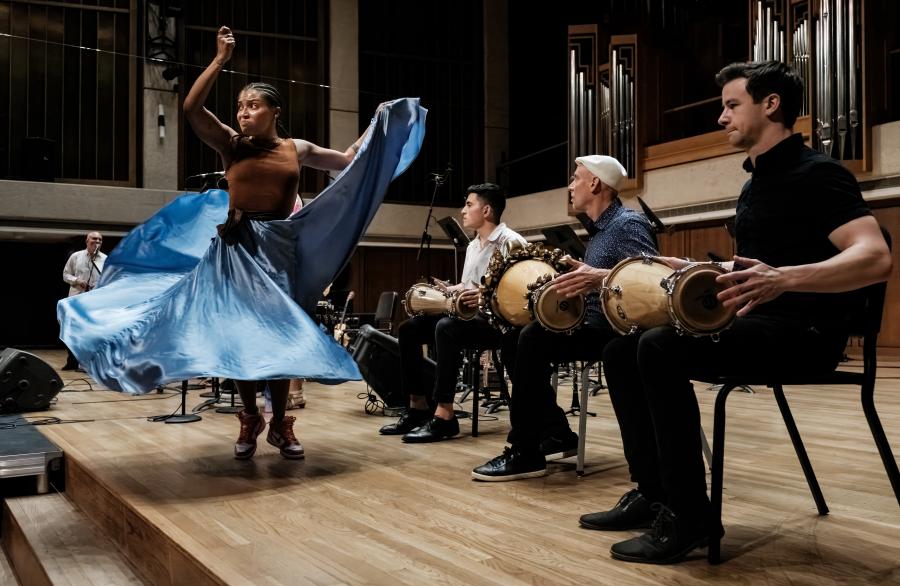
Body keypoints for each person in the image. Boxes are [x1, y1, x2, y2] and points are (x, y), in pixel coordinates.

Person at [57, 27, 425, 460]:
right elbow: (192, 107)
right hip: (237, 248)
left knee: (282, 338)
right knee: (241, 338)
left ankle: (281, 425)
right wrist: (218, 60)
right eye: (240, 106)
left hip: (279, 247)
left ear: (274, 110)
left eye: (253, 105)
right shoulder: (232, 146)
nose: (245, 112)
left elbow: (345, 162)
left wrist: (375, 122)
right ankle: (250, 418)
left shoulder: (295, 147)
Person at [584, 61, 892, 564]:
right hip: (757, 326)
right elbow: (757, 264)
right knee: (621, 347)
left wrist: (785, 278)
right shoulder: (755, 184)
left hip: (806, 335)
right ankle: (656, 494)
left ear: (771, 105)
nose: (722, 118)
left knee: (659, 346)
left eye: (731, 105)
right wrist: (689, 265)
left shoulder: (820, 174)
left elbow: (875, 256)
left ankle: (691, 517)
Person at [471, 156, 657, 481]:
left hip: (617, 332)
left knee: (531, 338)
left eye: (575, 178)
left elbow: (650, 280)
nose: (570, 186)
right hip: (592, 326)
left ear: (595, 184)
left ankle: (526, 450)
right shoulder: (599, 232)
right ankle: (553, 432)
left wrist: (597, 277)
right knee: (516, 333)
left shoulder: (627, 224)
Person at [380, 183, 526, 442]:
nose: (463, 211)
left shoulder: (511, 242)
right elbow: (470, 285)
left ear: (487, 210)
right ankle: (417, 408)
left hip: (497, 323)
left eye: (469, 205)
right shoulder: (473, 245)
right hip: (469, 315)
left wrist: (483, 296)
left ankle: (444, 415)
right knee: (409, 329)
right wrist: (451, 289)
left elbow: (518, 292)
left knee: (446, 328)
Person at [60, 231, 106, 370]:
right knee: (73, 331)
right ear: (87, 241)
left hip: (95, 301)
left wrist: (99, 285)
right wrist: (77, 281)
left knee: (91, 332)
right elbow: (65, 274)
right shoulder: (76, 256)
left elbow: (109, 279)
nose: (97, 241)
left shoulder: (105, 259)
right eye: (94, 238)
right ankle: (72, 362)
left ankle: (88, 363)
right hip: (76, 300)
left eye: (99, 239)